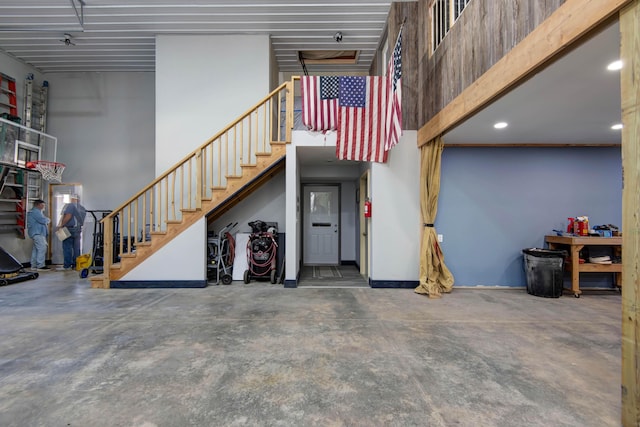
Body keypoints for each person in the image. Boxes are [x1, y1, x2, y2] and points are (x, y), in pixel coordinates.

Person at [57, 194, 86, 270]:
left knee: (67, 247)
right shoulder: (82, 208)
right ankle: (76, 265)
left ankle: (67, 265)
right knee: (76, 248)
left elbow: (68, 216)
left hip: (69, 229)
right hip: (78, 229)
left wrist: (61, 225)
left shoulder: (70, 206)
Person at [27, 199, 51, 271]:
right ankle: (40, 265)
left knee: (36, 250)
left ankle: (34, 265)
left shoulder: (37, 212)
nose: (44, 207)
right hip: (38, 233)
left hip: (37, 233)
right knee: (42, 248)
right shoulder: (35, 212)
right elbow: (43, 220)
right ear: (38, 205)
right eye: (43, 205)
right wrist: (48, 219)